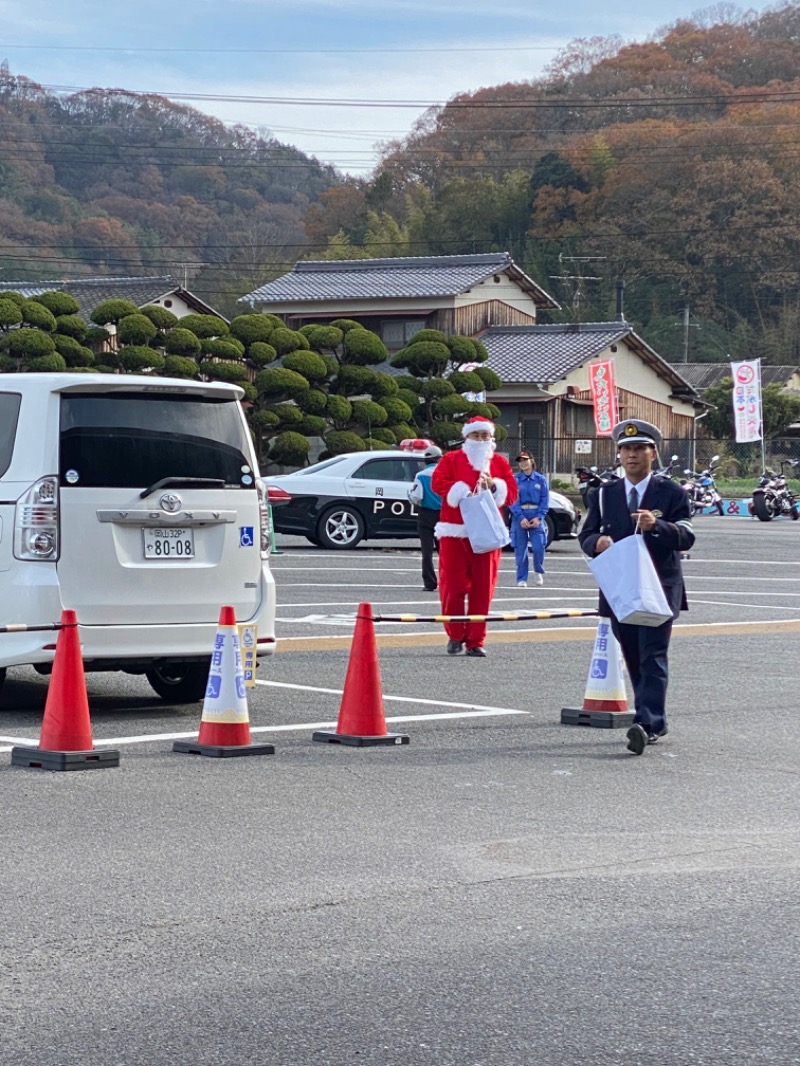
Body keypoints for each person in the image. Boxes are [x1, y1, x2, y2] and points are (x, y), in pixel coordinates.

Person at [578, 418, 695, 755]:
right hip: (620, 589)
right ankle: (654, 718)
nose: (632, 455)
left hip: (658, 585)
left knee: (653, 653)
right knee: (632, 653)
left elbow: (687, 535)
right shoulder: (603, 494)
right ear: (618, 455)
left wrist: (657, 525)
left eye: (639, 448)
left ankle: (645, 722)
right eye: (626, 449)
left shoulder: (671, 492)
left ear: (652, 453)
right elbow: (585, 535)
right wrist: (597, 541)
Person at [431, 415, 518, 658]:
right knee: (453, 585)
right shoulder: (451, 459)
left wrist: (494, 486)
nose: (480, 440)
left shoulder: (499, 464)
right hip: (454, 531)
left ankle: (475, 640)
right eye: (475, 435)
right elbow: (437, 483)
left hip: (487, 533)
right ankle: (455, 634)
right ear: (466, 438)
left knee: (483, 588)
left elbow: (511, 494)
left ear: (492, 439)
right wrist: (458, 489)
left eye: (485, 436)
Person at [508, 450, 549, 588]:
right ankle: (521, 578)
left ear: (531, 460)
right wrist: (520, 517)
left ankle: (538, 570)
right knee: (520, 549)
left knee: (538, 547)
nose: (523, 463)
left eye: (525, 460)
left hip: (536, 514)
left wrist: (539, 517)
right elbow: (512, 499)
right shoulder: (515, 480)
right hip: (519, 516)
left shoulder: (540, 479)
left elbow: (545, 499)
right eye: (520, 461)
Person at [407, 445, 443, 591]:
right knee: (444, 552)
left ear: (425, 461)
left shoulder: (421, 476)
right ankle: (448, 581)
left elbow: (416, 497)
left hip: (426, 515)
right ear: (439, 459)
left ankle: (430, 583)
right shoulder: (446, 474)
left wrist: (408, 494)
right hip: (443, 516)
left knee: (427, 551)